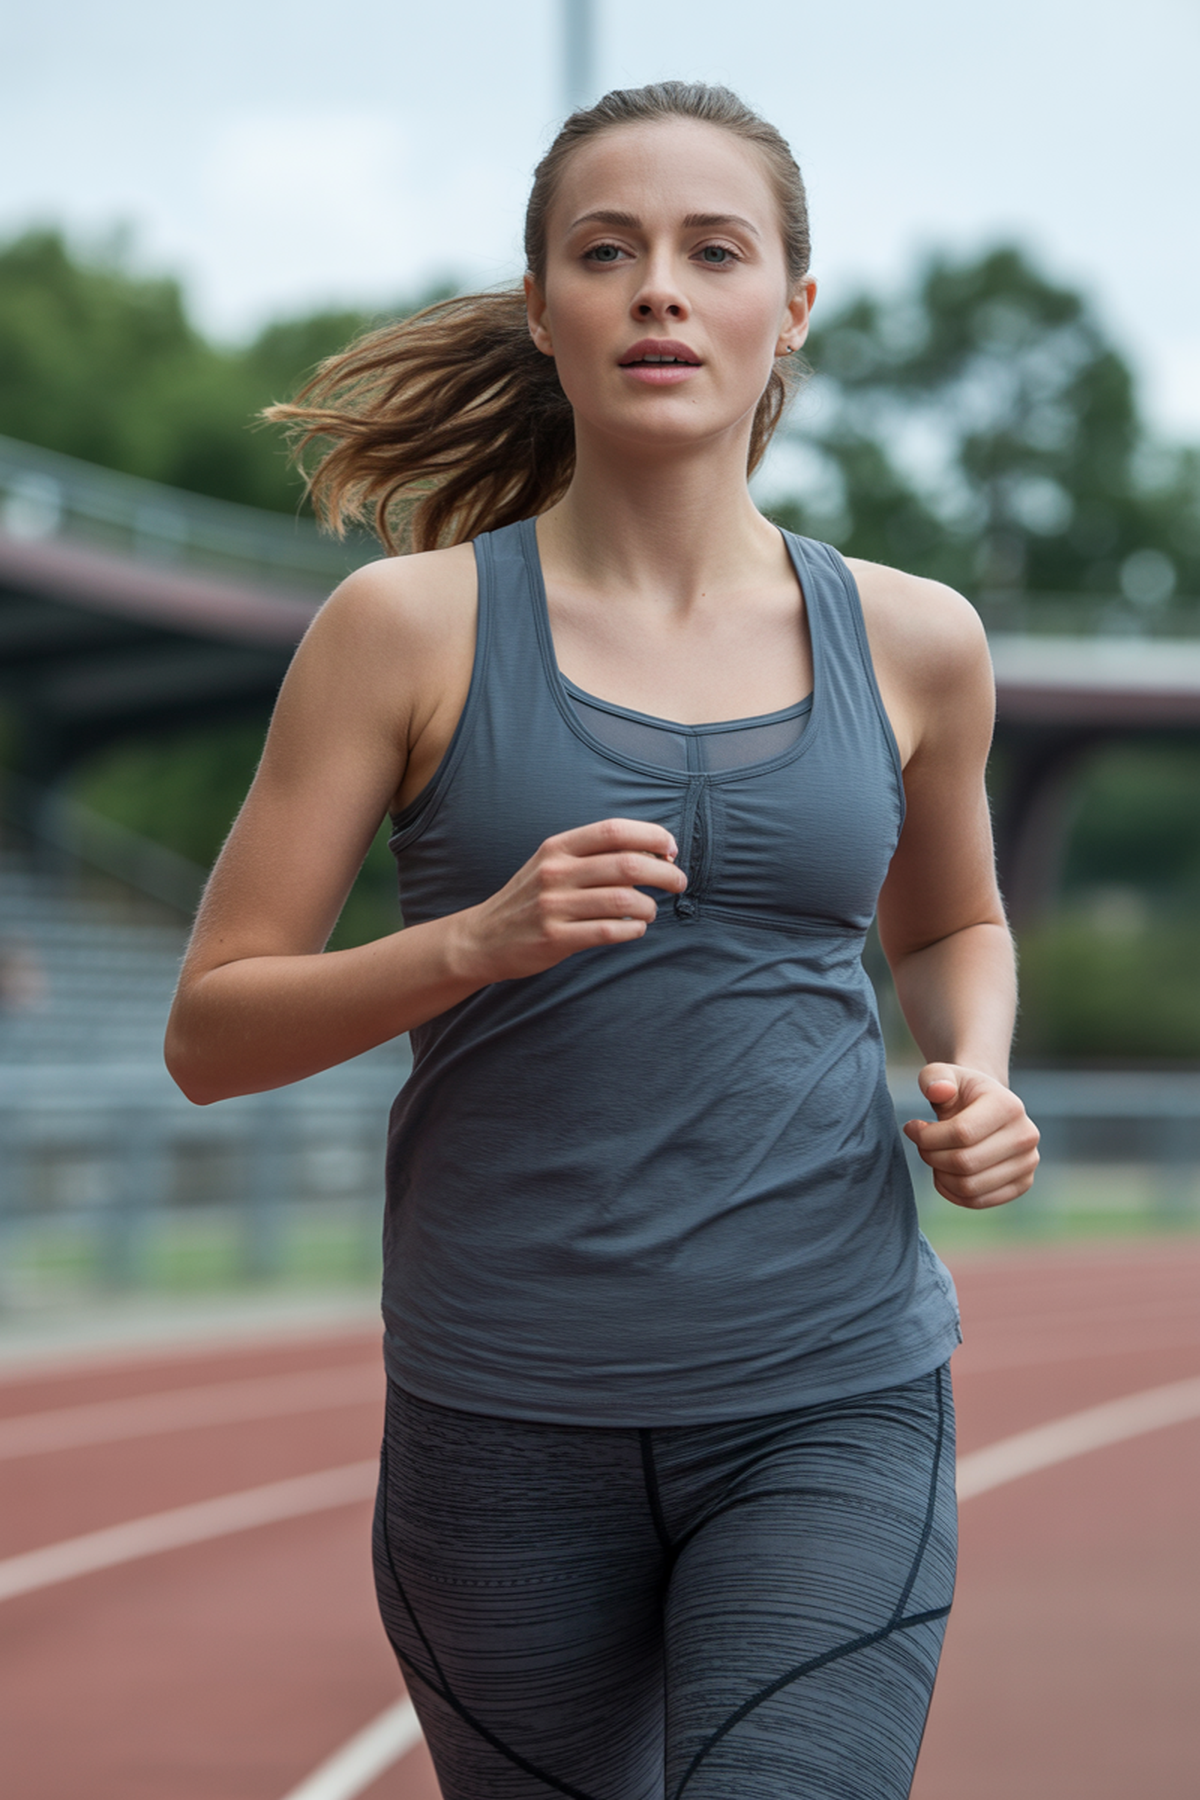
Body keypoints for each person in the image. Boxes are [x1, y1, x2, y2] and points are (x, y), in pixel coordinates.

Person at [166, 81, 1039, 1800]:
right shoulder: (402, 632)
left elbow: (953, 920)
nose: (659, 288)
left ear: (789, 308)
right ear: (545, 309)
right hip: (502, 1428)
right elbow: (214, 1031)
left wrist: (978, 1069)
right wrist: (473, 942)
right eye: (606, 251)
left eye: (714, 252)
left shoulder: (921, 640)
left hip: (832, 1389)